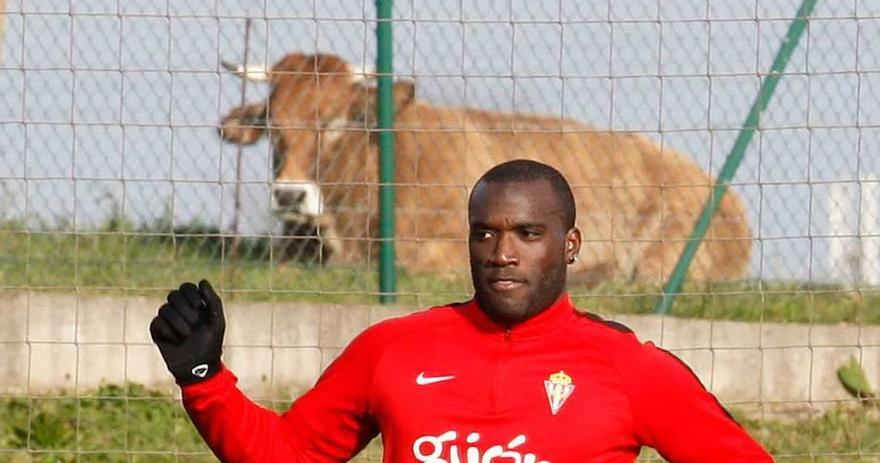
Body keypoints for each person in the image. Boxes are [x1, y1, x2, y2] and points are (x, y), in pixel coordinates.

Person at [150, 159, 773, 463]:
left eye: (528, 234)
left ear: (570, 246)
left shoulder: (629, 368)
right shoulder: (393, 348)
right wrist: (204, 380)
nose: (503, 253)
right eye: (485, 233)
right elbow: (286, 454)